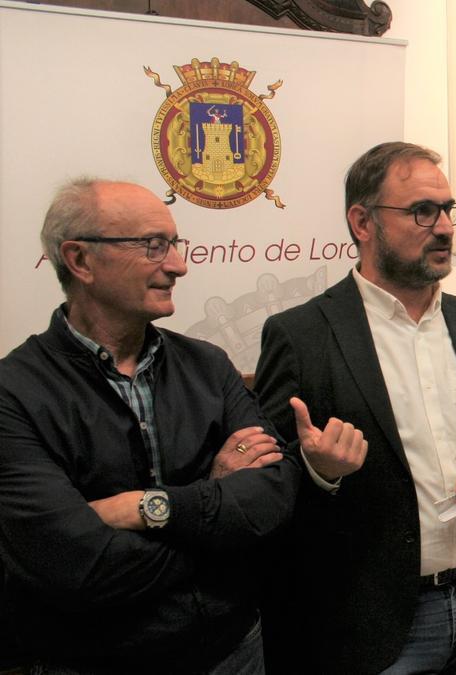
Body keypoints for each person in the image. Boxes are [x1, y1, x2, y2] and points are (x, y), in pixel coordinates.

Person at [0, 179, 344, 673]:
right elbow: (79, 567)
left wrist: (144, 507)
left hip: (235, 652)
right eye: (152, 245)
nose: (179, 264)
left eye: (175, 244)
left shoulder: (206, 364)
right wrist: (212, 502)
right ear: (79, 260)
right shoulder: (14, 392)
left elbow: (268, 502)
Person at [253, 141, 456, 675]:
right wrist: (319, 472)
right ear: (362, 222)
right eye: (422, 211)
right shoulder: (300, 337)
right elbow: (263, 481)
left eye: (448, 209)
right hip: (372, 626)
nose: (444, 227)